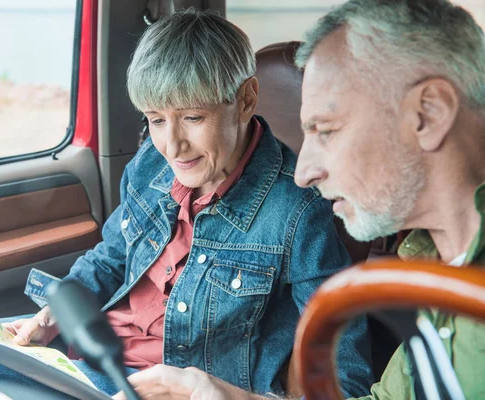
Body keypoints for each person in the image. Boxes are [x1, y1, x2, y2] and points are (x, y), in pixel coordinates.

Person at [0, 9, 372, 398]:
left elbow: (345, 375)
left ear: (244, 99)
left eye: (192, 118)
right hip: (89, 347)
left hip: (151, 385)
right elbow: (113, 255)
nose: (172, 146)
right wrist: (54, 314)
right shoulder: (152, 160)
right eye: (155, 120)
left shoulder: (297, 211)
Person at [113, 1, 485, 399]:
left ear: (428, 113)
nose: (304, 171)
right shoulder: (430, 266)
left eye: (325, 130)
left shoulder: (302, 216)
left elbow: (347, 374)